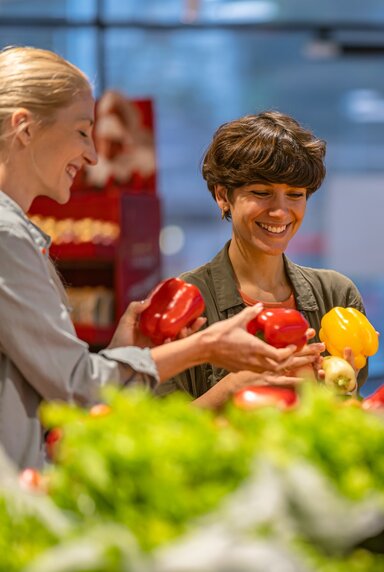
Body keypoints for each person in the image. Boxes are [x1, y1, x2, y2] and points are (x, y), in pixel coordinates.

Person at [0, 47, 313, 470]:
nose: (93, 155)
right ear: (24, 128)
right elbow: (77, 386)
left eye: (295, 195)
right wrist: (204, 348)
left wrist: (120, 351)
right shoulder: (7, 238)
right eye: (81, 131)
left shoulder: (332, 289)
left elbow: (63, 381)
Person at [157, 110, 368, 407]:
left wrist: (339, 398)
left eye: (295, 195)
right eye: (261, 192)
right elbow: (162, 429)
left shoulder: (336, 296)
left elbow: (349, 418)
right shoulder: (181, 303)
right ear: (222, 196)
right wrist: (233, 386)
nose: (280, 212)